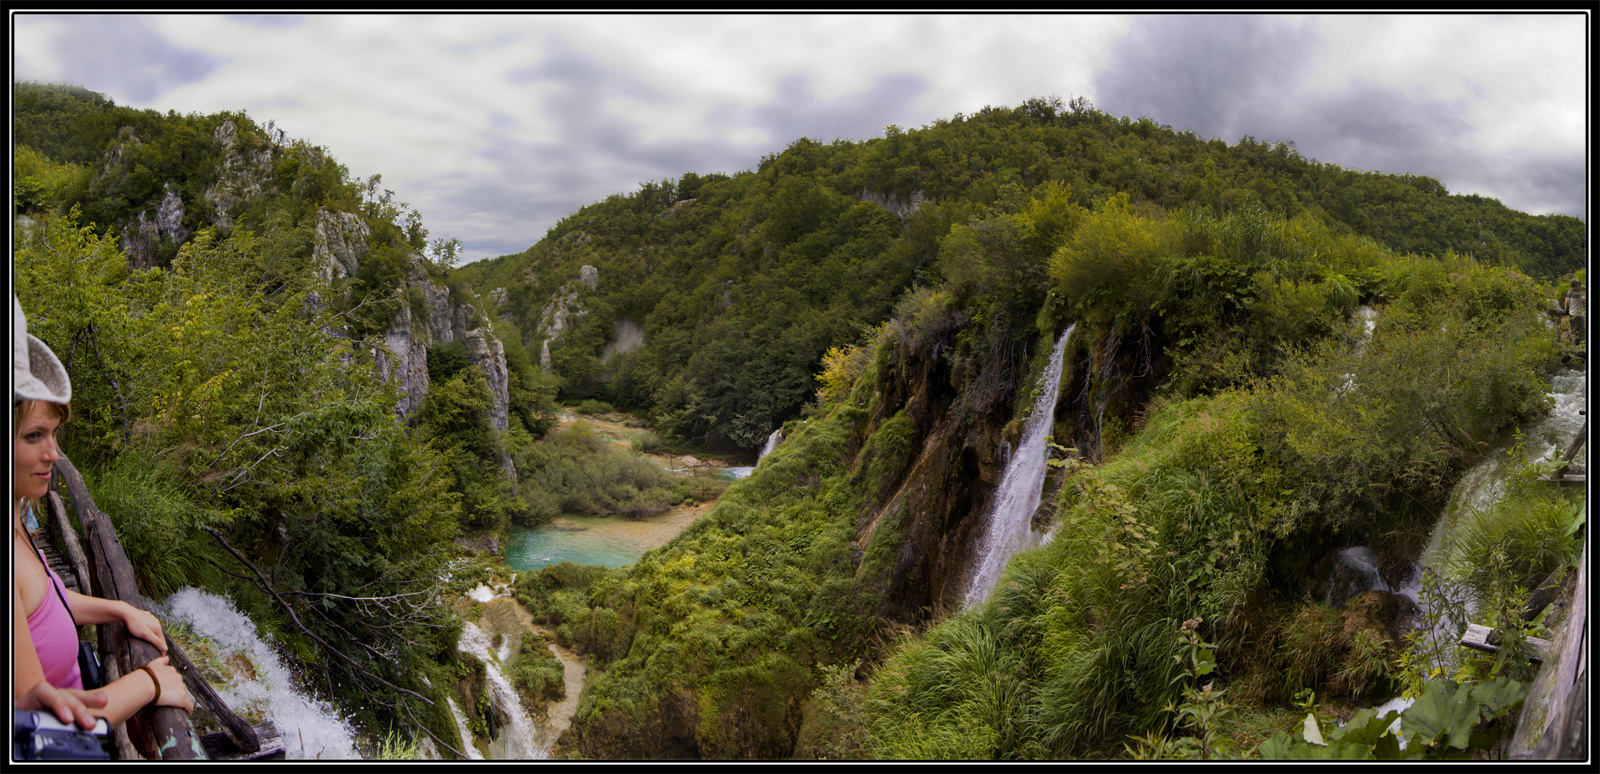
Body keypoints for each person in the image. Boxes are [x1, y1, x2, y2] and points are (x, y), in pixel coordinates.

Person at [13, 295, 194, 731]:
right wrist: (148, 683)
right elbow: (32, 725)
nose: (54, 454)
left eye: (54, 433)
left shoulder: (16, 518)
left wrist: (120, 609)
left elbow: (46, 603)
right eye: (34, 435)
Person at [1564, 279, 1586, 346]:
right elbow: (1584, 300)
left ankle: (1577, 345)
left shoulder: (1569, 293)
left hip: (1571, 314)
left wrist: (1566, 309)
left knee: (1574, 330)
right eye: (1579, 285)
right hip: (1577, 315)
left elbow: (1566, 303)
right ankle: (1576, 346)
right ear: (1576, 285)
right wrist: (1584, 291)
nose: (1579, 286)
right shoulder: (1576, 294)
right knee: (1579, 331)